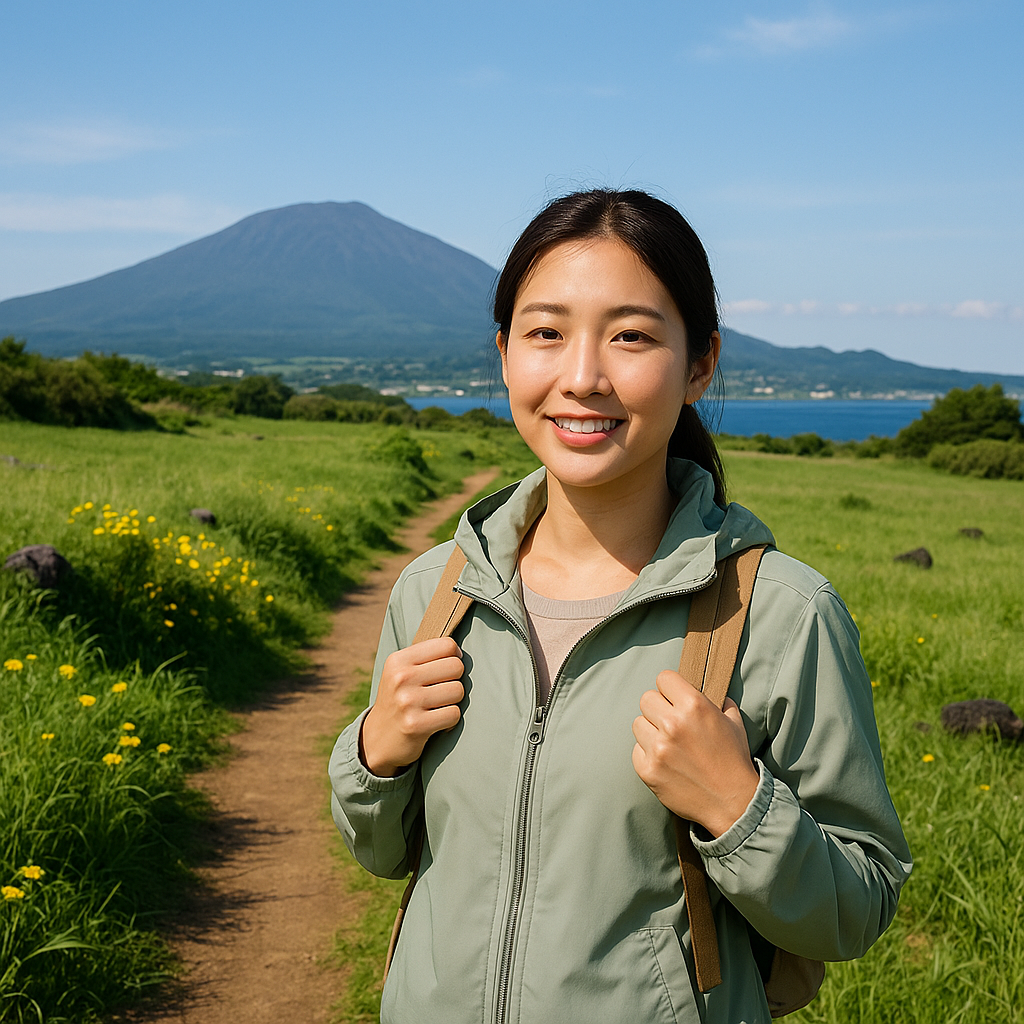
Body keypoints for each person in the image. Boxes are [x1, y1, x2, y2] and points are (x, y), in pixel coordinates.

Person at [329, 189, 912, 1024]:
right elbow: (382, 854)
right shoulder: (437, 592)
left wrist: (737, 808)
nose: (582, 377)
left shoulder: (782, 614)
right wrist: (374, 754)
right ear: (503, 354)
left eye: (632, 335)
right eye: (545, 333)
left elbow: (858, 908)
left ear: (700, 361)